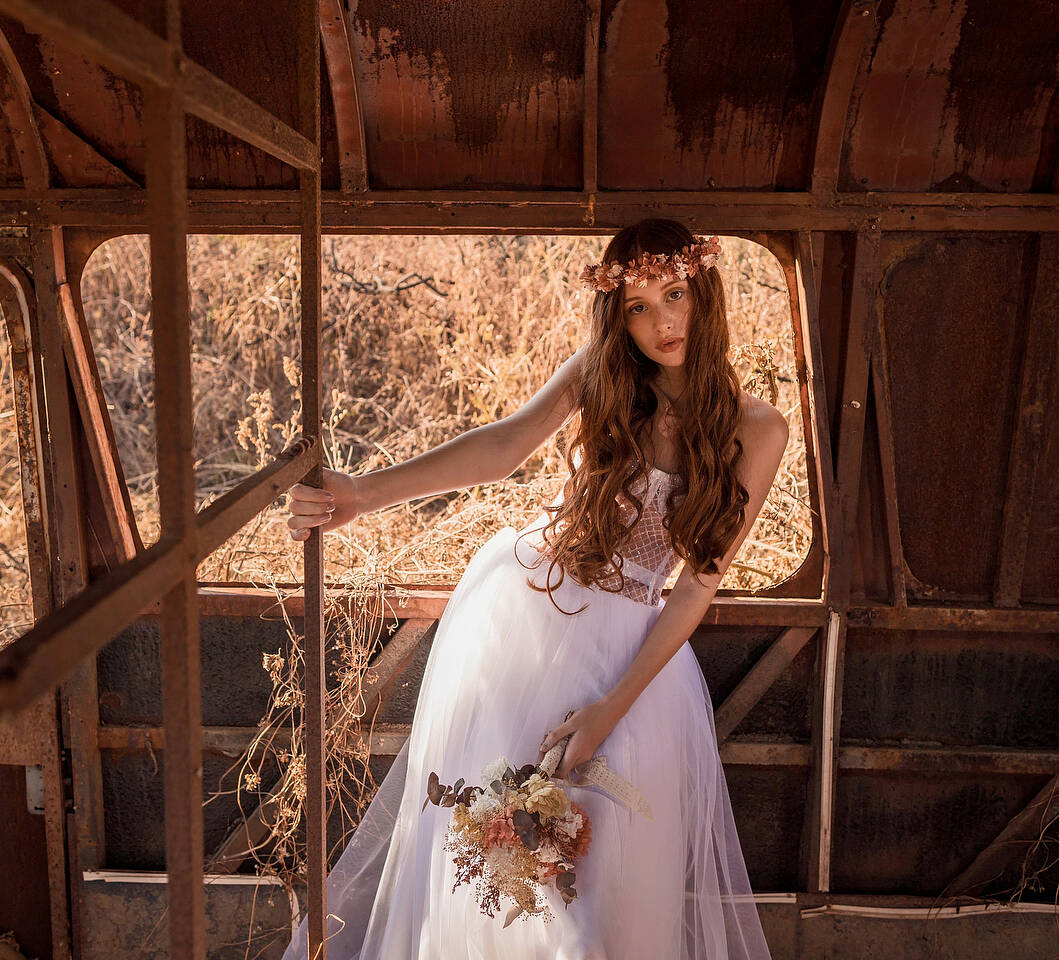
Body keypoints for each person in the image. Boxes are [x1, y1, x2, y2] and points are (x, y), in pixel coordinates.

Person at [279, 218, 785, 959]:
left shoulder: (757, 429)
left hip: (636, 665)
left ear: (703, 291)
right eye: (638, 307)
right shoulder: (604, 372)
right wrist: (364, 493)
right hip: (529, 621)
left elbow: (696, 586)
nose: (661, 322)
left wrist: (612, 708)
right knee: (498, 863)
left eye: (674, 294)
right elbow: (503, 445)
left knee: (600, 893)